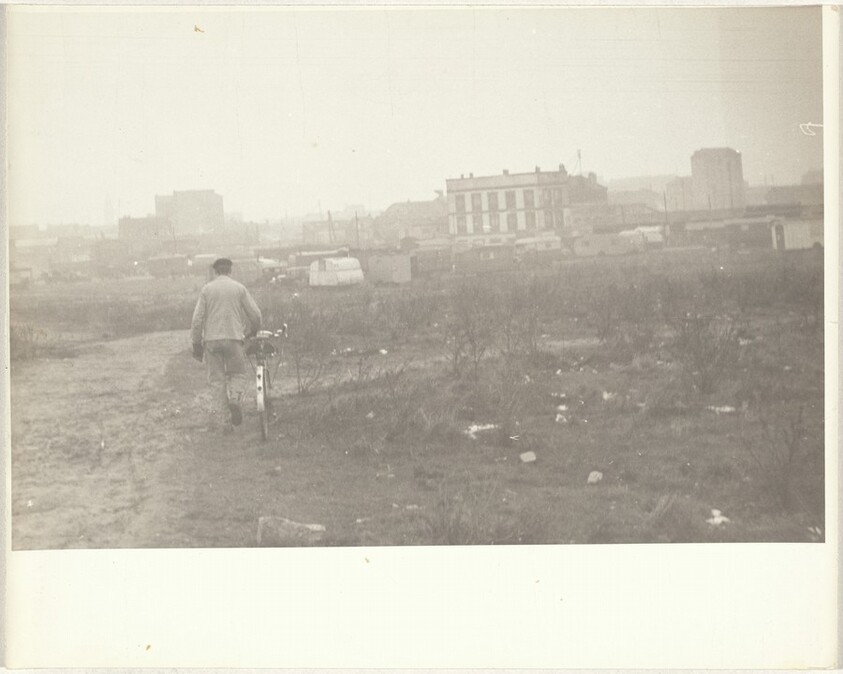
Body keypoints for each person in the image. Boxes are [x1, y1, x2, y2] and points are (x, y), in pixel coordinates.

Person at [190, 258, 262, 432]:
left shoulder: (207, 290)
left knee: (217, 381)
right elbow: (256, 314)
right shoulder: (239, 288)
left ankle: (225, 424)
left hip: (211, 341)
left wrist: (196, 343)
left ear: (215, 272)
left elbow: (197, 319)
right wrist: (254, 331)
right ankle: (235, 399)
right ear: (230, 271)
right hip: (234, 338)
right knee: (238, 374)